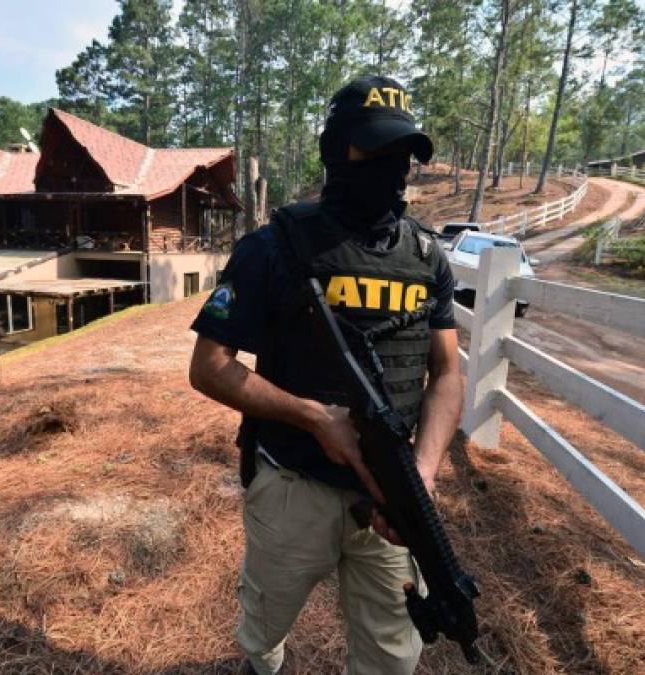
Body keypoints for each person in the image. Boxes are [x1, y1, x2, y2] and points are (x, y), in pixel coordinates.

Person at [188, 75, 463, 675]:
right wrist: (315, 418)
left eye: (404, 155)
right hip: (293, 486)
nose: (392, 167)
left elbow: (446, 373)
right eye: (376, 149)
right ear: (337, 151)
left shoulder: (425, 257)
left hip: (392, 494)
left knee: (393, 654)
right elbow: (209, 367)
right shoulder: (273, 248)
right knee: (264, 625)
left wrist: (424, 472)